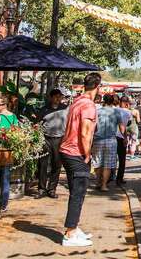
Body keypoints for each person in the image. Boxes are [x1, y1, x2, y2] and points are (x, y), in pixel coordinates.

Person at [59, 72, 100, 247]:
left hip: (67, 150)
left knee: (77, 192)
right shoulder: (89, 106)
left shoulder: (76, 102)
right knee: (78, 193)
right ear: (97, 87)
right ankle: (69, 233)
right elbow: (85, 133)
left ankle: (73, 228)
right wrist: (87, 153)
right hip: (76, 153)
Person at [35, 89, 68, 199]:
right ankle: (41, 189)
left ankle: (52, 189)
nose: (58, 99)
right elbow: (38, 124)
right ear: (51, 97)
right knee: (42, 164)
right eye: (56, 97)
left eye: (60, 97)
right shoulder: (44, 109)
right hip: (46, 138)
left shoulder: (65, 108)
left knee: (57, 164)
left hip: (60, 139)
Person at [92, 94, 124, 192]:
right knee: (108, 164)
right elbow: (122, 127)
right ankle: (104, 185)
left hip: (97, 139)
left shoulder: (97, 112)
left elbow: (93, 125)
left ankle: (98, 182)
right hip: (111, 140)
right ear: (113, 101)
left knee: (98, 162)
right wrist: (124, 136)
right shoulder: (117, 112)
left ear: (103, 100)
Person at [115, 95, 133, 186]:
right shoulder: (128, 112)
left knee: (112, 159)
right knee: (122, 160)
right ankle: (119, 179)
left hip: (112, 137)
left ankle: (110, 177)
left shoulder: (114, 110)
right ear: (127, 103)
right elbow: (127, 125)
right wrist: (125, 137)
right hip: (121, 137)